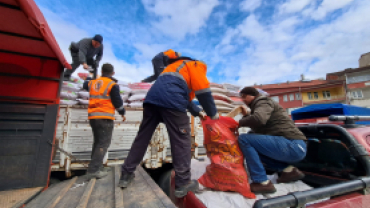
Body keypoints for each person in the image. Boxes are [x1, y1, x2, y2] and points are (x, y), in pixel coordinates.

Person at [118, 57, 218, 198]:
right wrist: (213, 114)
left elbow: (185, 99)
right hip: (172, 103)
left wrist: (198, 112)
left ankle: (126, 175)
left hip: (151, 101)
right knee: (181, 141)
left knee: (142, 139)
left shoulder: (174, 68)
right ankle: (183, 183)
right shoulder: (196, 65)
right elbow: (203, 90)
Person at [237, 87, 307, 194]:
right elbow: (259, 128)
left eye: (244, 96)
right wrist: (247, 116)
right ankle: (288, 171)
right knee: (251, 139)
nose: (243, 100)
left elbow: (259, 119)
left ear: (253, 95)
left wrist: (238, 123)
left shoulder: (262, 101)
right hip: (292, 146)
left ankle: (261, 182)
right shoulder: (259, 106)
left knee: (243, 139)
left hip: (293, 145)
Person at [82, 63, 126, 180]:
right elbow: (117, 102)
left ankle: (98, 167)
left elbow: (85, 84)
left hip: (93, 117)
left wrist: (90, 75)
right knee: (103, 143)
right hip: (105, 117)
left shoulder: (93, 82)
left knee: (97, 142)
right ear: (113, 73)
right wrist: (122, 113)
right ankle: (94, 170)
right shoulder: (112, 84)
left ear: (101, 71)